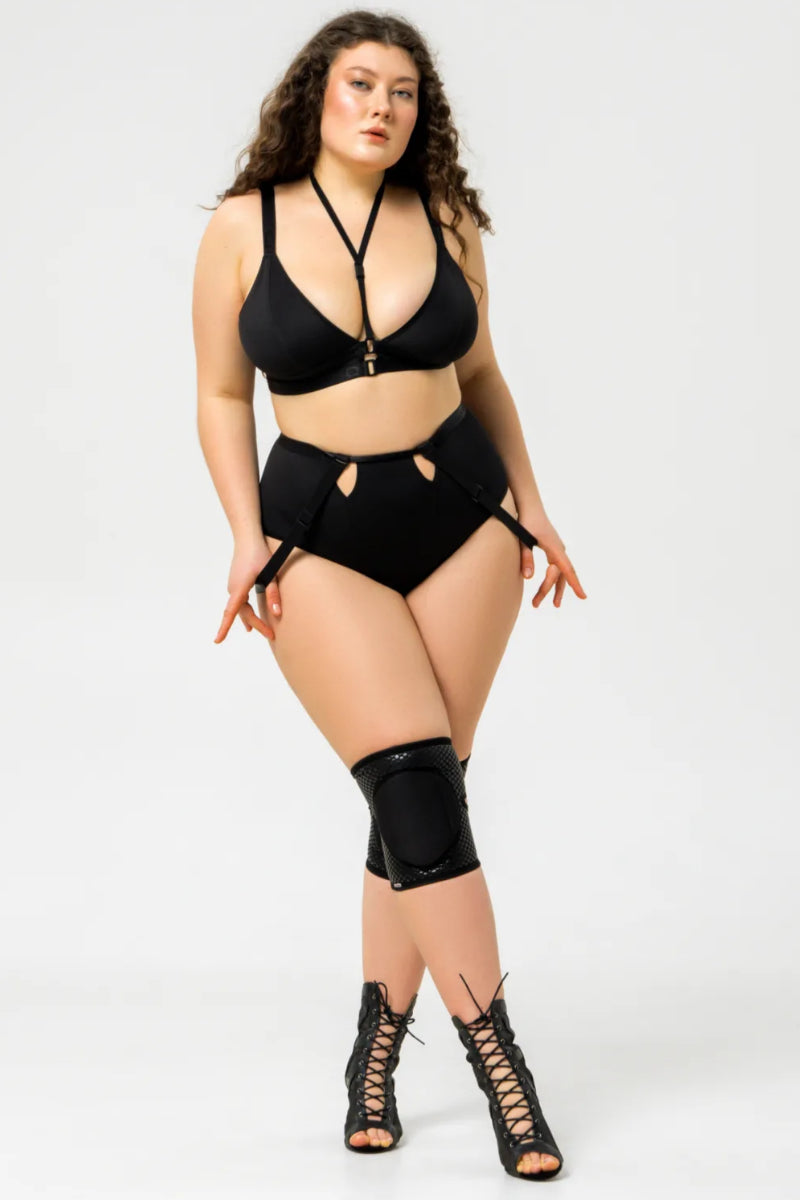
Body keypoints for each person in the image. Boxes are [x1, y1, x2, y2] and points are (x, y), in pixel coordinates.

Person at [192, 9, 586, 1182]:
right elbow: (221, 394)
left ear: (422, 112)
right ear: (315, 94)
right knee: (413, 787)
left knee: (420, 802)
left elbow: (482, 372)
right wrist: (243, 536)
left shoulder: (446, 218)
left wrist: (532, 505)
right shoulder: (243, 226)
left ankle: (373, 1052)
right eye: (360, 84)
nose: (381, 106)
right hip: (317, 537)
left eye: (403, 91)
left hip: (463, 521)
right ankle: (501, 1069)